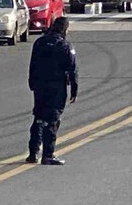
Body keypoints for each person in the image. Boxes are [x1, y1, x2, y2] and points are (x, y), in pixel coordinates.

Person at [26, 17, 78, 165]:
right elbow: (72, 69)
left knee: (39, 117)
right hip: (56, 88)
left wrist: (32, 83)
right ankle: (48, 154)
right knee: (52, 120)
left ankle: (33, 152)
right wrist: (74, 90)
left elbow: (33, 64)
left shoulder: (39, 42)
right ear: (65, 29)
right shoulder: (65, 46)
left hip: (39, 86)